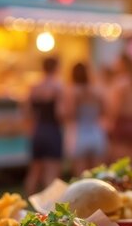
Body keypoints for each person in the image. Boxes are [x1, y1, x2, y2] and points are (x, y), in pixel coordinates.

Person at [23, 58, 64, 195]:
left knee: (34, 170)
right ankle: (49, 207)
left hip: (38, 131)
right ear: (56, 67)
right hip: (52, 130)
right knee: (51, 173)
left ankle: (27, 202)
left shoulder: (35, 87)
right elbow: (60, 113)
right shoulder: (58, 87)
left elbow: (26, 110)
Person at [64, 62, 106, 175]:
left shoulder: (71, 91)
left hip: (78, 133)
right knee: (98, 173)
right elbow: (104, 110)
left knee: (80, 174)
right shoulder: (97, 91)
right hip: (96, 132)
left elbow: (69, 114)